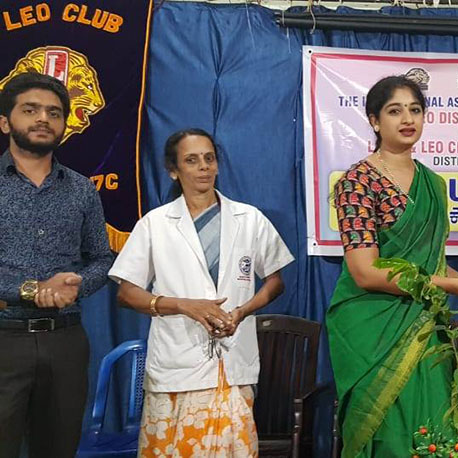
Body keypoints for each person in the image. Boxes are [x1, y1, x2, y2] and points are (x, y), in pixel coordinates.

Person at [326, 75, 458, 457]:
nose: (407, 119)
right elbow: (365, 272)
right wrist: (451, 286)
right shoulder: (357, 182)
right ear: (374, 120)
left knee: (433, 433)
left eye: (415, 110)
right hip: (371, 329)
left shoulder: (433, 184)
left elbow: (433, 264)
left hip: (425, 325)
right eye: (394, 110)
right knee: (388, 434)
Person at [109, 128, 294, 456]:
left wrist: (242, 311)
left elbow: (275, 281)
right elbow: (126, 293)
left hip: (232, 367)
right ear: (174, 170)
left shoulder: (249, 218)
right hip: (176, 368)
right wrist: (184, 306)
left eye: (209, 158)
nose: (204, 167)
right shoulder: (155, 224)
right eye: (192, 160)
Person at [0, 72, 114, 458]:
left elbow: (102, 258)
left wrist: (77, 283)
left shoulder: (82, 189)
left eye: (53, 112)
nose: (43, 119)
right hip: (4, 338)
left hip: (65, 342)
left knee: (59, 449)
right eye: (30, 110)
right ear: (5, 122)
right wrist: (31, 290)